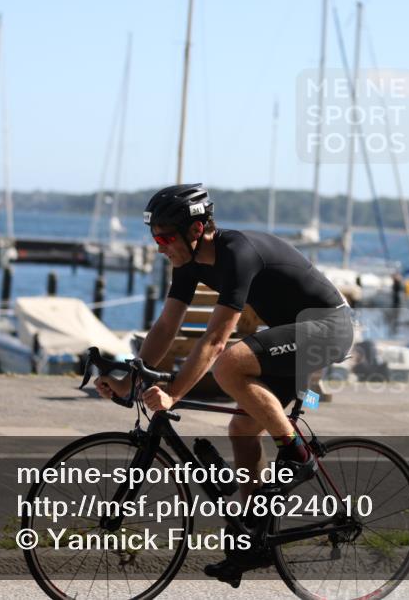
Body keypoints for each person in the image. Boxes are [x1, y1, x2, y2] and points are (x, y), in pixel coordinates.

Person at [94, 183, 354, 581]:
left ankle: (297, 455)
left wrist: (174, 394)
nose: (159, 246)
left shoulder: (237, 253)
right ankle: (251, 541)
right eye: (154, 237)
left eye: (164, 237)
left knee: (230, 365)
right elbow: (167, 324)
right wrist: (131, 376)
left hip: (327, 329)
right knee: (242, 428)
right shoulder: (188, 263)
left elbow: (216, 340)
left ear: (196, 230)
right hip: (289, 336)